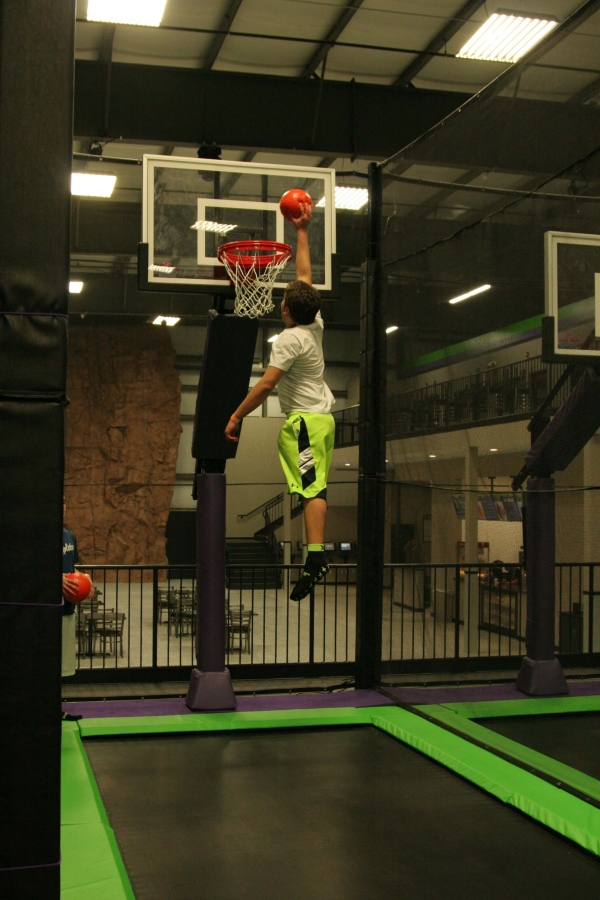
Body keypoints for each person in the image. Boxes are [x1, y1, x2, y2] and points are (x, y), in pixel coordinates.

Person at [225, 204, 335, 601]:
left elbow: (266, 386)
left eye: (283, 300)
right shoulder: (314, 323)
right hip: (321, 420)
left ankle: (318, 556)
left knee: (311, 490)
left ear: (286, 310)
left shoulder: (290, 340)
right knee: (312, 487)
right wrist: (302, 231)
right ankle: (317, 553)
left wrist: (237, 415)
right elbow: (304, 277)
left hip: (304, 423)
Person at [62, 497, 92, 721]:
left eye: (64, 502)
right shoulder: (38, 538)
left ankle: (57, 709)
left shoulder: (69, 536)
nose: (62, 506)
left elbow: (72, 570)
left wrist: (85, 583)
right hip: (45, 612)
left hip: (66, 611)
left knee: (62, 667)